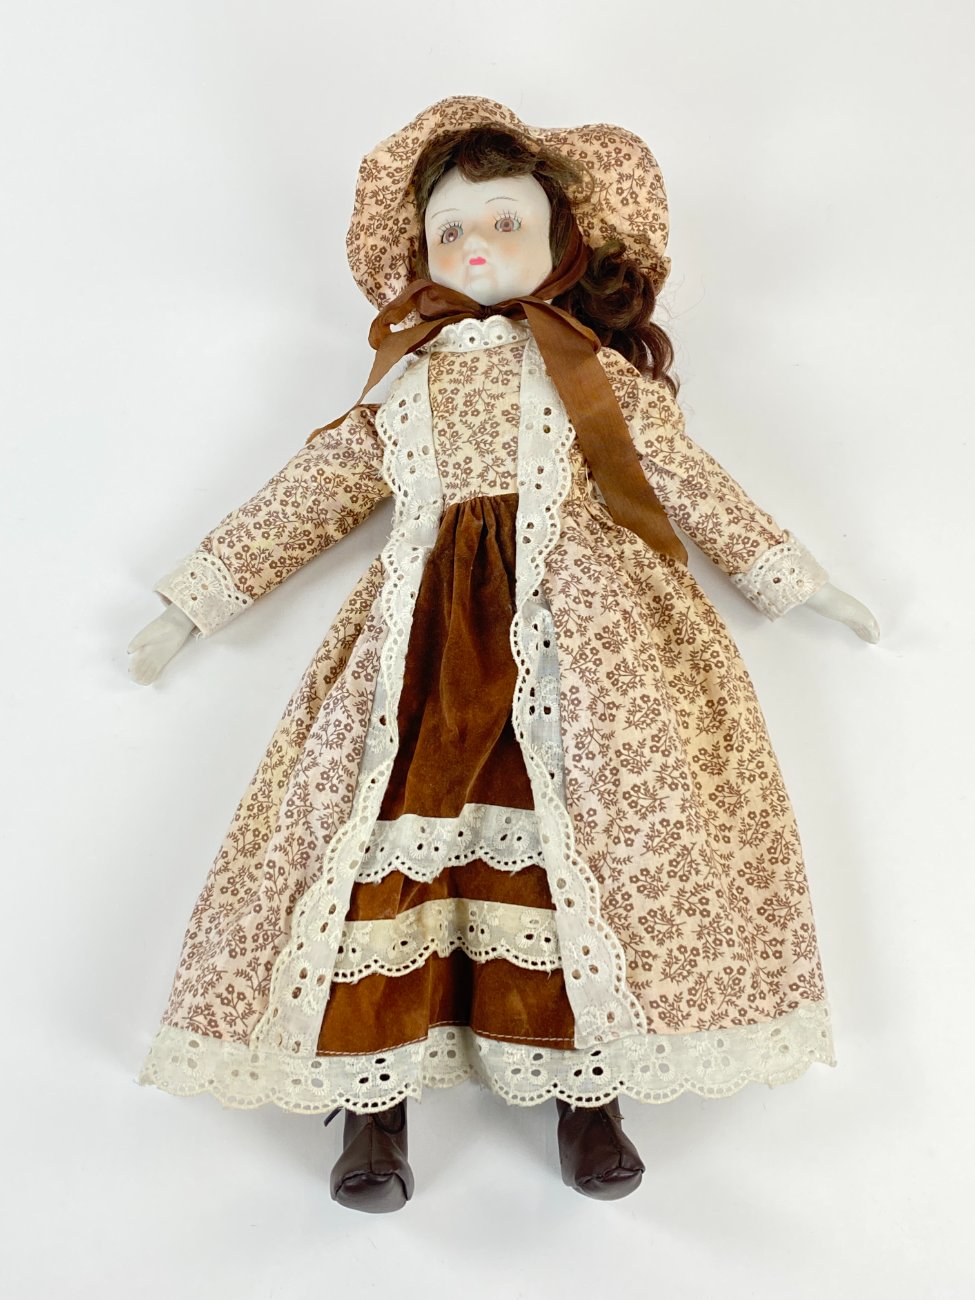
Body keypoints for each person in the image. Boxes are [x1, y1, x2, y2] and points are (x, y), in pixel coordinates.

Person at [131, 96, 879, 1214]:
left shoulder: (596, 378)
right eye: (451, 231)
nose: (475, 245)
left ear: (562, 242)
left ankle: (590, 1098)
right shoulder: (406, 386)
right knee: (380, 855)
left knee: (587, 855)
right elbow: (309, 494)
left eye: (504, 223)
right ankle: (372, 1109)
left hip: (585, 658)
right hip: (421, 661)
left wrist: (795, 578)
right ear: (420, 253)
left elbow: (688, 483)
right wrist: (191, 604)